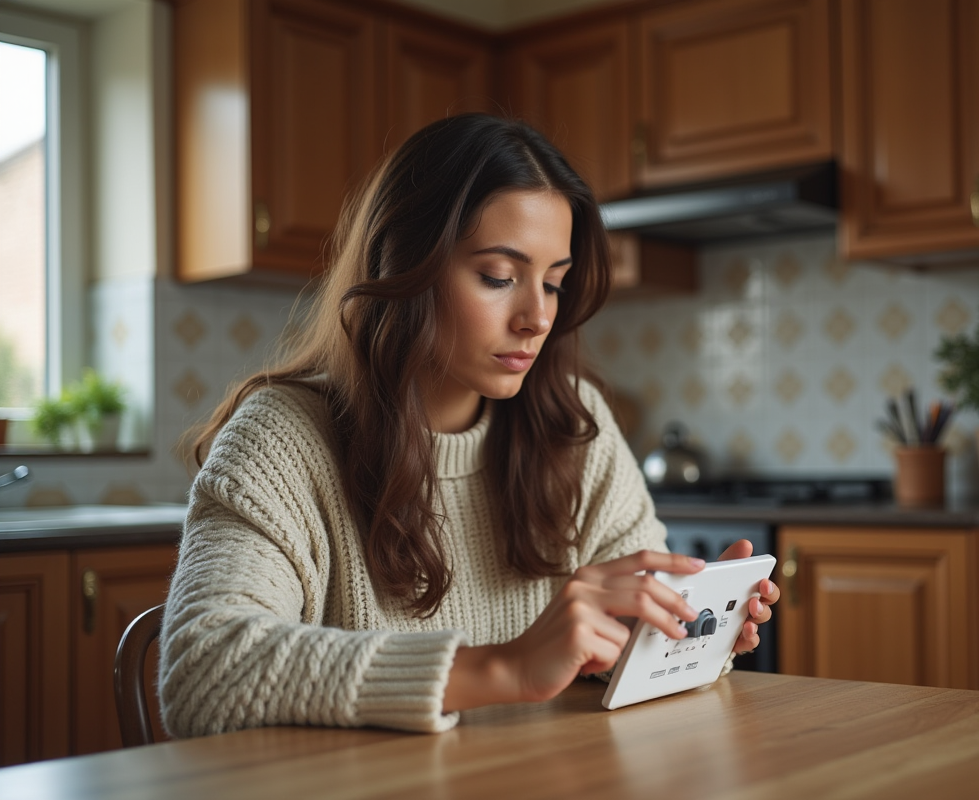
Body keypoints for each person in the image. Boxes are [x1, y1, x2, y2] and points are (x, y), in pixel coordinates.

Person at [159, 114, 779, 736]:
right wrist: (506, 668)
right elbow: (203, 673)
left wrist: (688, 633)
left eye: (555, 283)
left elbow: (620, 644)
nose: (538, 317)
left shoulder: (576, 424)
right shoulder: (282, 438)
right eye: (498, 278)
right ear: (405, 264)